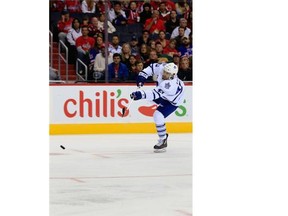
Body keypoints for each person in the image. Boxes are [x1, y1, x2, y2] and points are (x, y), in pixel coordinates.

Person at [130, 62, 185, 152]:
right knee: (149, 99)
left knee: (158, 115)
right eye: (164, 71)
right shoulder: (163, 68)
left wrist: (140, 95)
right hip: (164, 95)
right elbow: (151, 68)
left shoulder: (170, 85)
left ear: (173, 75)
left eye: (167, 73)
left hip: (172, 101)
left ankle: (163, 139)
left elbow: (154, 94)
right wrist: (142, 76)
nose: (164, 74)